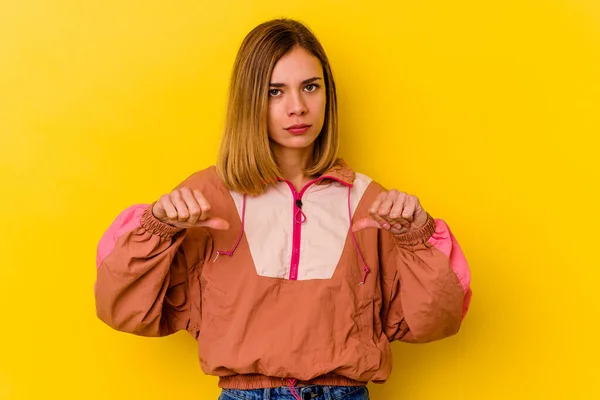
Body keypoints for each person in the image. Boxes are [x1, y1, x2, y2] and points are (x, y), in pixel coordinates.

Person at [94, 18, 472, 400]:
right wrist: (158, 226)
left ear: (328, 94)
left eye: (310, 87)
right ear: (249, 99)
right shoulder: (207, 196)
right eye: (275, 91)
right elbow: (121, 307)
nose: (297, 108)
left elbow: (436, 321)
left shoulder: (368, 202)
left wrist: (416, 235)